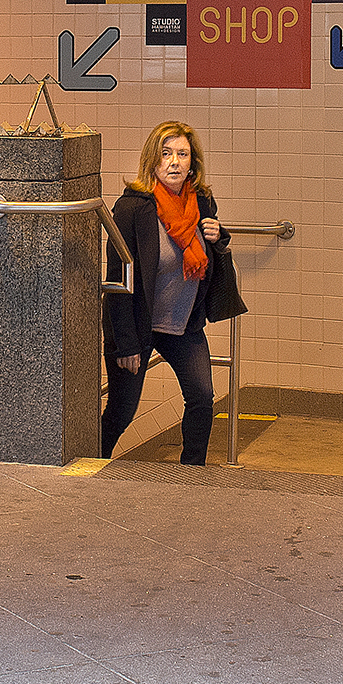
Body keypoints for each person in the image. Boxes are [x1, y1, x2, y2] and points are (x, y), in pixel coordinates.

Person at [100, 121, 231, 465]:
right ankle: (93, 463)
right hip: (137, 326)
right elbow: (118, 280)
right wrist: (125, 344)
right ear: (152, 161)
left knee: (202, 398)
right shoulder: (131, 209)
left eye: (182, 154)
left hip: (182, 325)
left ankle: (191, 474)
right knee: (122, 412)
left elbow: (207, 251)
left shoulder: (202, 201)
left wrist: (220, 236)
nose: (174, 162)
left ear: (193, 162)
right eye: (166, 153)